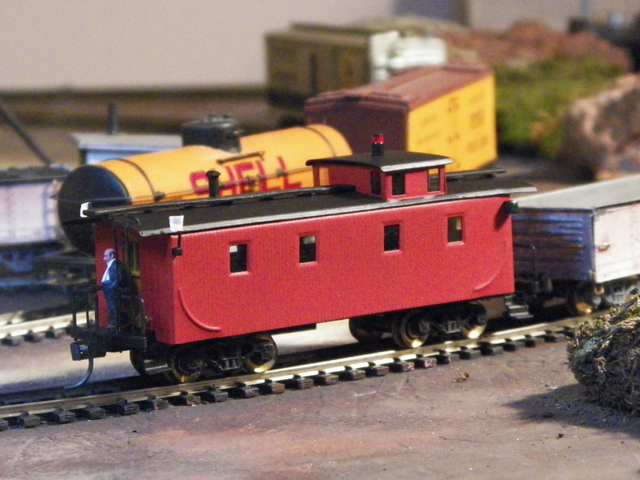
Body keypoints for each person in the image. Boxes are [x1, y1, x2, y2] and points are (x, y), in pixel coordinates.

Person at [100, 248, 131, 329]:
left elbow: (117, 280)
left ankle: (115, 322)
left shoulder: (116, 266)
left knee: (113, 305)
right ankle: (115, 321)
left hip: (115, 290)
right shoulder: (112, 265)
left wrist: (109, 287)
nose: (104, 258)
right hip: (110, 288)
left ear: (112, 255)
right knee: (111, 306)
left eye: (106, 256)